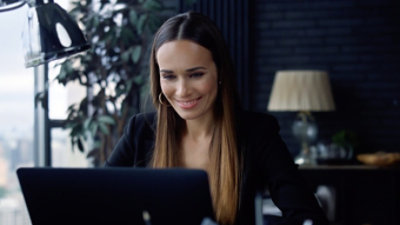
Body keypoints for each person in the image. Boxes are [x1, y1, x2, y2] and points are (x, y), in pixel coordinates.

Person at [105, 11, 328, 225]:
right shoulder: (140, 130)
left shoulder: (257, 132)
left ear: (219, 72)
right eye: (169, 76)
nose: (182, 91)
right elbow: (98, 202)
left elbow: (308, 218)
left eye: (196, 74)